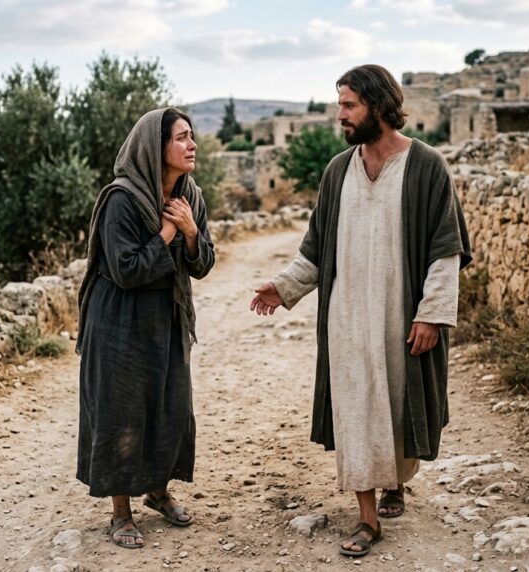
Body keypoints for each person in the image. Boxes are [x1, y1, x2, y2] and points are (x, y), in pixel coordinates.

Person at [250, 64, 472, 558]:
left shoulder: (426, 166)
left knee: (399, 410)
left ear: (377, 105)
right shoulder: (337, 170)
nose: (340, 115)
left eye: (349, 105)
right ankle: (367, 518)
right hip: (347, 323)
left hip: (401, 319)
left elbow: (445, 250)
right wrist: (283, 287)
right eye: (339, 105)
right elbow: (315, 249)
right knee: (357, 413)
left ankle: (396, 481)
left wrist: (432, 314)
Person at [76, 107, 215, 549]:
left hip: (166, 316)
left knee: (168, 403)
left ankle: (158, 492)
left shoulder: (189, 195)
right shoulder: (121, 199)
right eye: (181, 138)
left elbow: (205, 263)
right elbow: (126, 269)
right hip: (118, 318)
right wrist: (169, 235)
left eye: (192, 136)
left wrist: (191, 233)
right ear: (155, 148)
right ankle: (120, 513)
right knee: (122, 410)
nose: (192, 145)